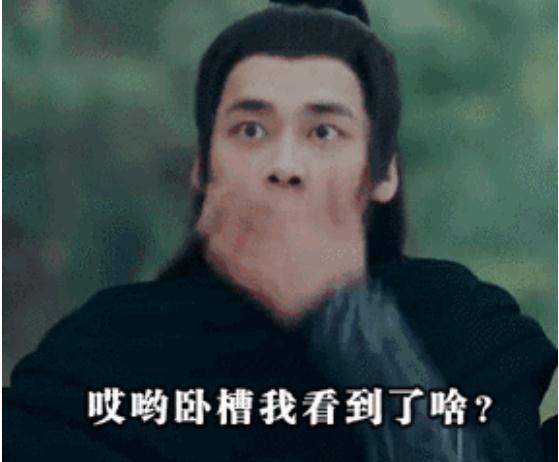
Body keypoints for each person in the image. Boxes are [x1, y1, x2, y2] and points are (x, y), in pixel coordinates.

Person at [4, 1, 556, 461]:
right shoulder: (104, 349)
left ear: (383, 171)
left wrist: (344, 317)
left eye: (324, 131)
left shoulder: (462, 330)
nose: (285, 164)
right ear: (204, 167)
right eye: (251, 129)